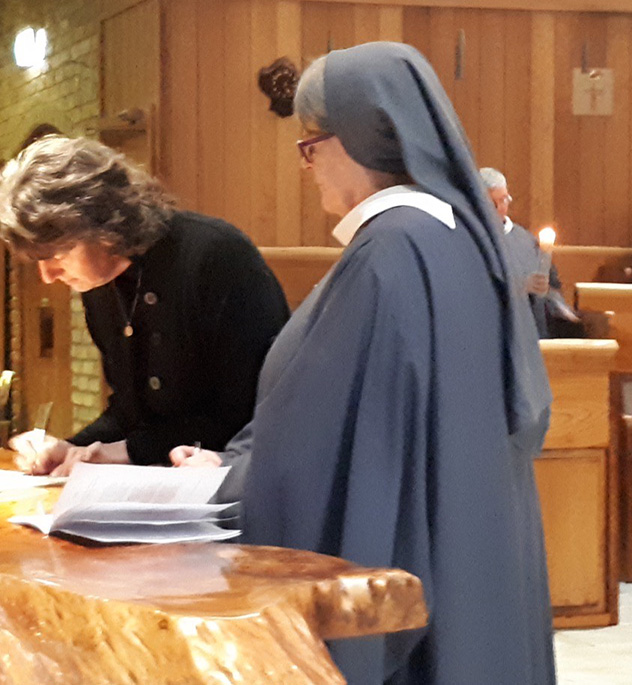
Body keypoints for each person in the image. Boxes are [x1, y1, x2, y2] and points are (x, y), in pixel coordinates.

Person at [171, 42, 554, 684]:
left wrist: (222, 480)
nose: (305, 165)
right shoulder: (453, 238)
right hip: (464, 546)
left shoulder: (391, 253)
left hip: (405, 565)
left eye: (309, 145)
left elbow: (327, 442)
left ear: (360, 139)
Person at [0, 135, 289, 473]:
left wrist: (129, 451)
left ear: (102, 222)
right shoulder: (101, 285)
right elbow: (130, 415)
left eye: (57, 255)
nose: (48, 276)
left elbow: (251, 414)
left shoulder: (215, 256)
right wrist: (70, 447)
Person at [480, 167, 579, 338]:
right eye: (491, 204)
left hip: (532, 334)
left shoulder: (526, 241)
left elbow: (551, 287)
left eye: (503, 200)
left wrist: (556, 302)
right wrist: (520, 288)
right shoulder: (468, 239)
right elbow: (473, 291)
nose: (499, 208)